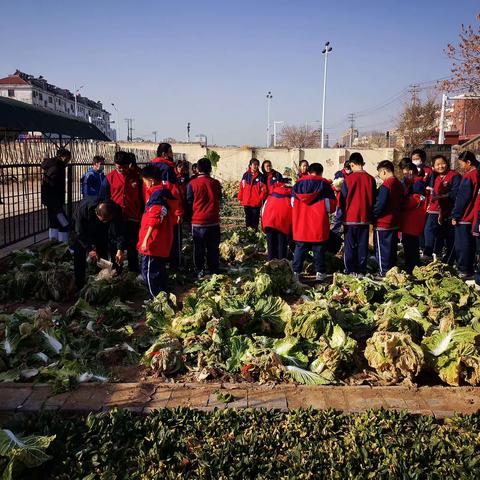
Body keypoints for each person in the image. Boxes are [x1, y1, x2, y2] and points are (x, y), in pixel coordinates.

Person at [100, 151, 144, 273]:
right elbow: (104, 199)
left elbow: (142, 197)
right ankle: (116, 271)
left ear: (128, 165)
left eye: (124, 167)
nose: (122, 169)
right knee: (115, 246)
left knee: (132, 246)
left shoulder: (136, 177)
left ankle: (133, 270)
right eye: (119, 167)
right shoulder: (109, 178)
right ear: (115, 164)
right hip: (116, 219)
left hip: (133, 217)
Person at [292, 162, 336, 282]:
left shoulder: (297, 184)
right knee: (319, 250)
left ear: (309, 171)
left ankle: (296, 272)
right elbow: (331, 206)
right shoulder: (324, 185)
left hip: (301, 222)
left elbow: (292, 203)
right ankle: (319, 273)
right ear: (321, 172)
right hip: (318, 223)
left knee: (300, 249)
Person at [137, 165, 175, 297]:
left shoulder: (156, 196)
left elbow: (153, 219)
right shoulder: (163, 192)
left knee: (148, 272)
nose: (145, 184)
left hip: (153, 242)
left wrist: (146, 240)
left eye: (145, 181)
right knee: (159, 270)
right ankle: (163, 295)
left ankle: (156, 299)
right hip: (161, 240)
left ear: (151, 180)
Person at [73, 199, 125, 289]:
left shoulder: (115, 209)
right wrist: (89, 249)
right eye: (104, 220)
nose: (106, 222)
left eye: (108, 220)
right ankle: (79, 283)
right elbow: (79, 233)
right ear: (98, 214)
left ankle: (102, 280)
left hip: (100, 230)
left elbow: (119, 231)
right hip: (83, 229)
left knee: (102, 248)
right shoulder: (82, 211)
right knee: (79, 252)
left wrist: (120, 249)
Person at [339, 152, 376, 275]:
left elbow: (342, 200)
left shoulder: (348, 179)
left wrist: (340, 216)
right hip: (365, 218)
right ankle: (361, 270)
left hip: (350, 219)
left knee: (350, 246)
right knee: (362, 246)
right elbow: (374, 199)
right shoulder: (371, 179)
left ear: (352, 164)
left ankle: (350, 270)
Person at [186, 157, 222, 277]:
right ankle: (214, 270)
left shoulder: (192, 184)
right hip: (213, 221)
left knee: (199, 248)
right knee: (213, 248)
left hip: (198, 222)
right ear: (210, 169)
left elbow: (189, 201)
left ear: (197, 169)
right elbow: (219, 198)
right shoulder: (216, 183)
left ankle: (199, 270)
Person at [151, 143, 184, 269]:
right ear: (164, 154)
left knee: (157, 238)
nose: (172, 154)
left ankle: (160, 264)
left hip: (154, 210)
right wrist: (178, 212)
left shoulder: (151, 167)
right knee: (173, 239)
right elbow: (173, 192)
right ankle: (174, 265)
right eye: (170, 152)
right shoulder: (167, 169)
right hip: (169, 211)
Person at [423, 155, 460, 263]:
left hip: (450, 211)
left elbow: (455, 194)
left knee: (449, 236)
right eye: (437, 164)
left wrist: (441, 197)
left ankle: (449, 259)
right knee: (435, 232)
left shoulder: (454, 175)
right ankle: (436, 254)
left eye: (442, 163)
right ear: (433, 167)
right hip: (440, 210)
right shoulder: (437, 177)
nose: (440, 166)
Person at [373, 160, 404, 276]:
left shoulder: (386, 185)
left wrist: (373, 215)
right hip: (394, 221)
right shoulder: (399, 184)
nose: (380, 177)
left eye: (379, 174)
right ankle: (392, 271)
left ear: (384, 172)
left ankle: (383, 272)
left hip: (383, 222)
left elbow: (380, 205)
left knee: (382, 250)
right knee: (391, 249)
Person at [452, 151, 480, 278]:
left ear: (468, 162)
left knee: (462, 245)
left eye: (462, 164)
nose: (461, 167)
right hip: (473, 216)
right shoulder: (477, 174)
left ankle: (464, 269)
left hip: (465, 216)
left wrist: (455, 215)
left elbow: (463, 198)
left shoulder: (469, 176)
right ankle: (469, 268)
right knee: (470, 244)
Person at [399, 163, 427, 274]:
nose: (404, 175)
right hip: (414, 220)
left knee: (410, 246)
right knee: (412, 245)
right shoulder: (416, 183)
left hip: (412, 220)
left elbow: (415, 200)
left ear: (410, 172)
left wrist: (403, 202)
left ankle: (411, 268)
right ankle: (413, 266)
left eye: (405, 173)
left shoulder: (417, 184)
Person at [41, 148, 72, 243]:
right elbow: (50, 186)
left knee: (54, 221)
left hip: (51, 200)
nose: (69, 161)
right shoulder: (56, 168)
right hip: (54, 201)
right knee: (63, 223)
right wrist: (56, 204)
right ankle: (63, 244)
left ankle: (54, 243)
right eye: (68, 158)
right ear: (62, 157)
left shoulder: (56, 165)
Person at [261, 179, 292, 260]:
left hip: (269, 222)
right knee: (282, 244)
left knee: (271, 245)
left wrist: (263, 225)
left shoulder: (272, 193)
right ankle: (282, 263)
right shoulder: (291, 195)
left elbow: (263, 209)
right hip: (283, 222)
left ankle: (271, 263)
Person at [238, 158, 267, 229]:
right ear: (250, 165)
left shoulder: (261, 176)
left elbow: (264, 190)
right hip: (247, 202)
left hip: (256, 203)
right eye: (254, 164)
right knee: (248, 220)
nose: (256, 166)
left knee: (255, 221)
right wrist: (240, 197)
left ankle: (254, 236)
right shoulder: (245, 175)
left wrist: (259, 199)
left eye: (257, 165)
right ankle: (248, 236)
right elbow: (242, 186)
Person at [332, 160, 352, 234]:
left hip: (350, 200)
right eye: (347, 168)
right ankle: (335, 235)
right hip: (340, 199)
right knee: (338, 219)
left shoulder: (353, 174)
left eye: (349, 168)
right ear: (344, 167)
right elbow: (334, 186)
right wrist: (338, 188)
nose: (348, 170)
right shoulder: (339, 174)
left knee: (349, 220)